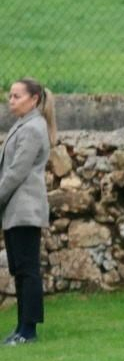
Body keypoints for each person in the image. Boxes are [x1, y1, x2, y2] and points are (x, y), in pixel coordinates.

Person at [1, 79, 56, 347]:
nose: (11, 100)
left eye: (17, 96)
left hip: (24, 208)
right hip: (15, 210)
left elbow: (16, 172)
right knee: (20, 270)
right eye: (10, 96)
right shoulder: (23, 125)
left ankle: (29, 330)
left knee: (27, 269)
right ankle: (21, 327)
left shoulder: (33, 128)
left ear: (34, 99)